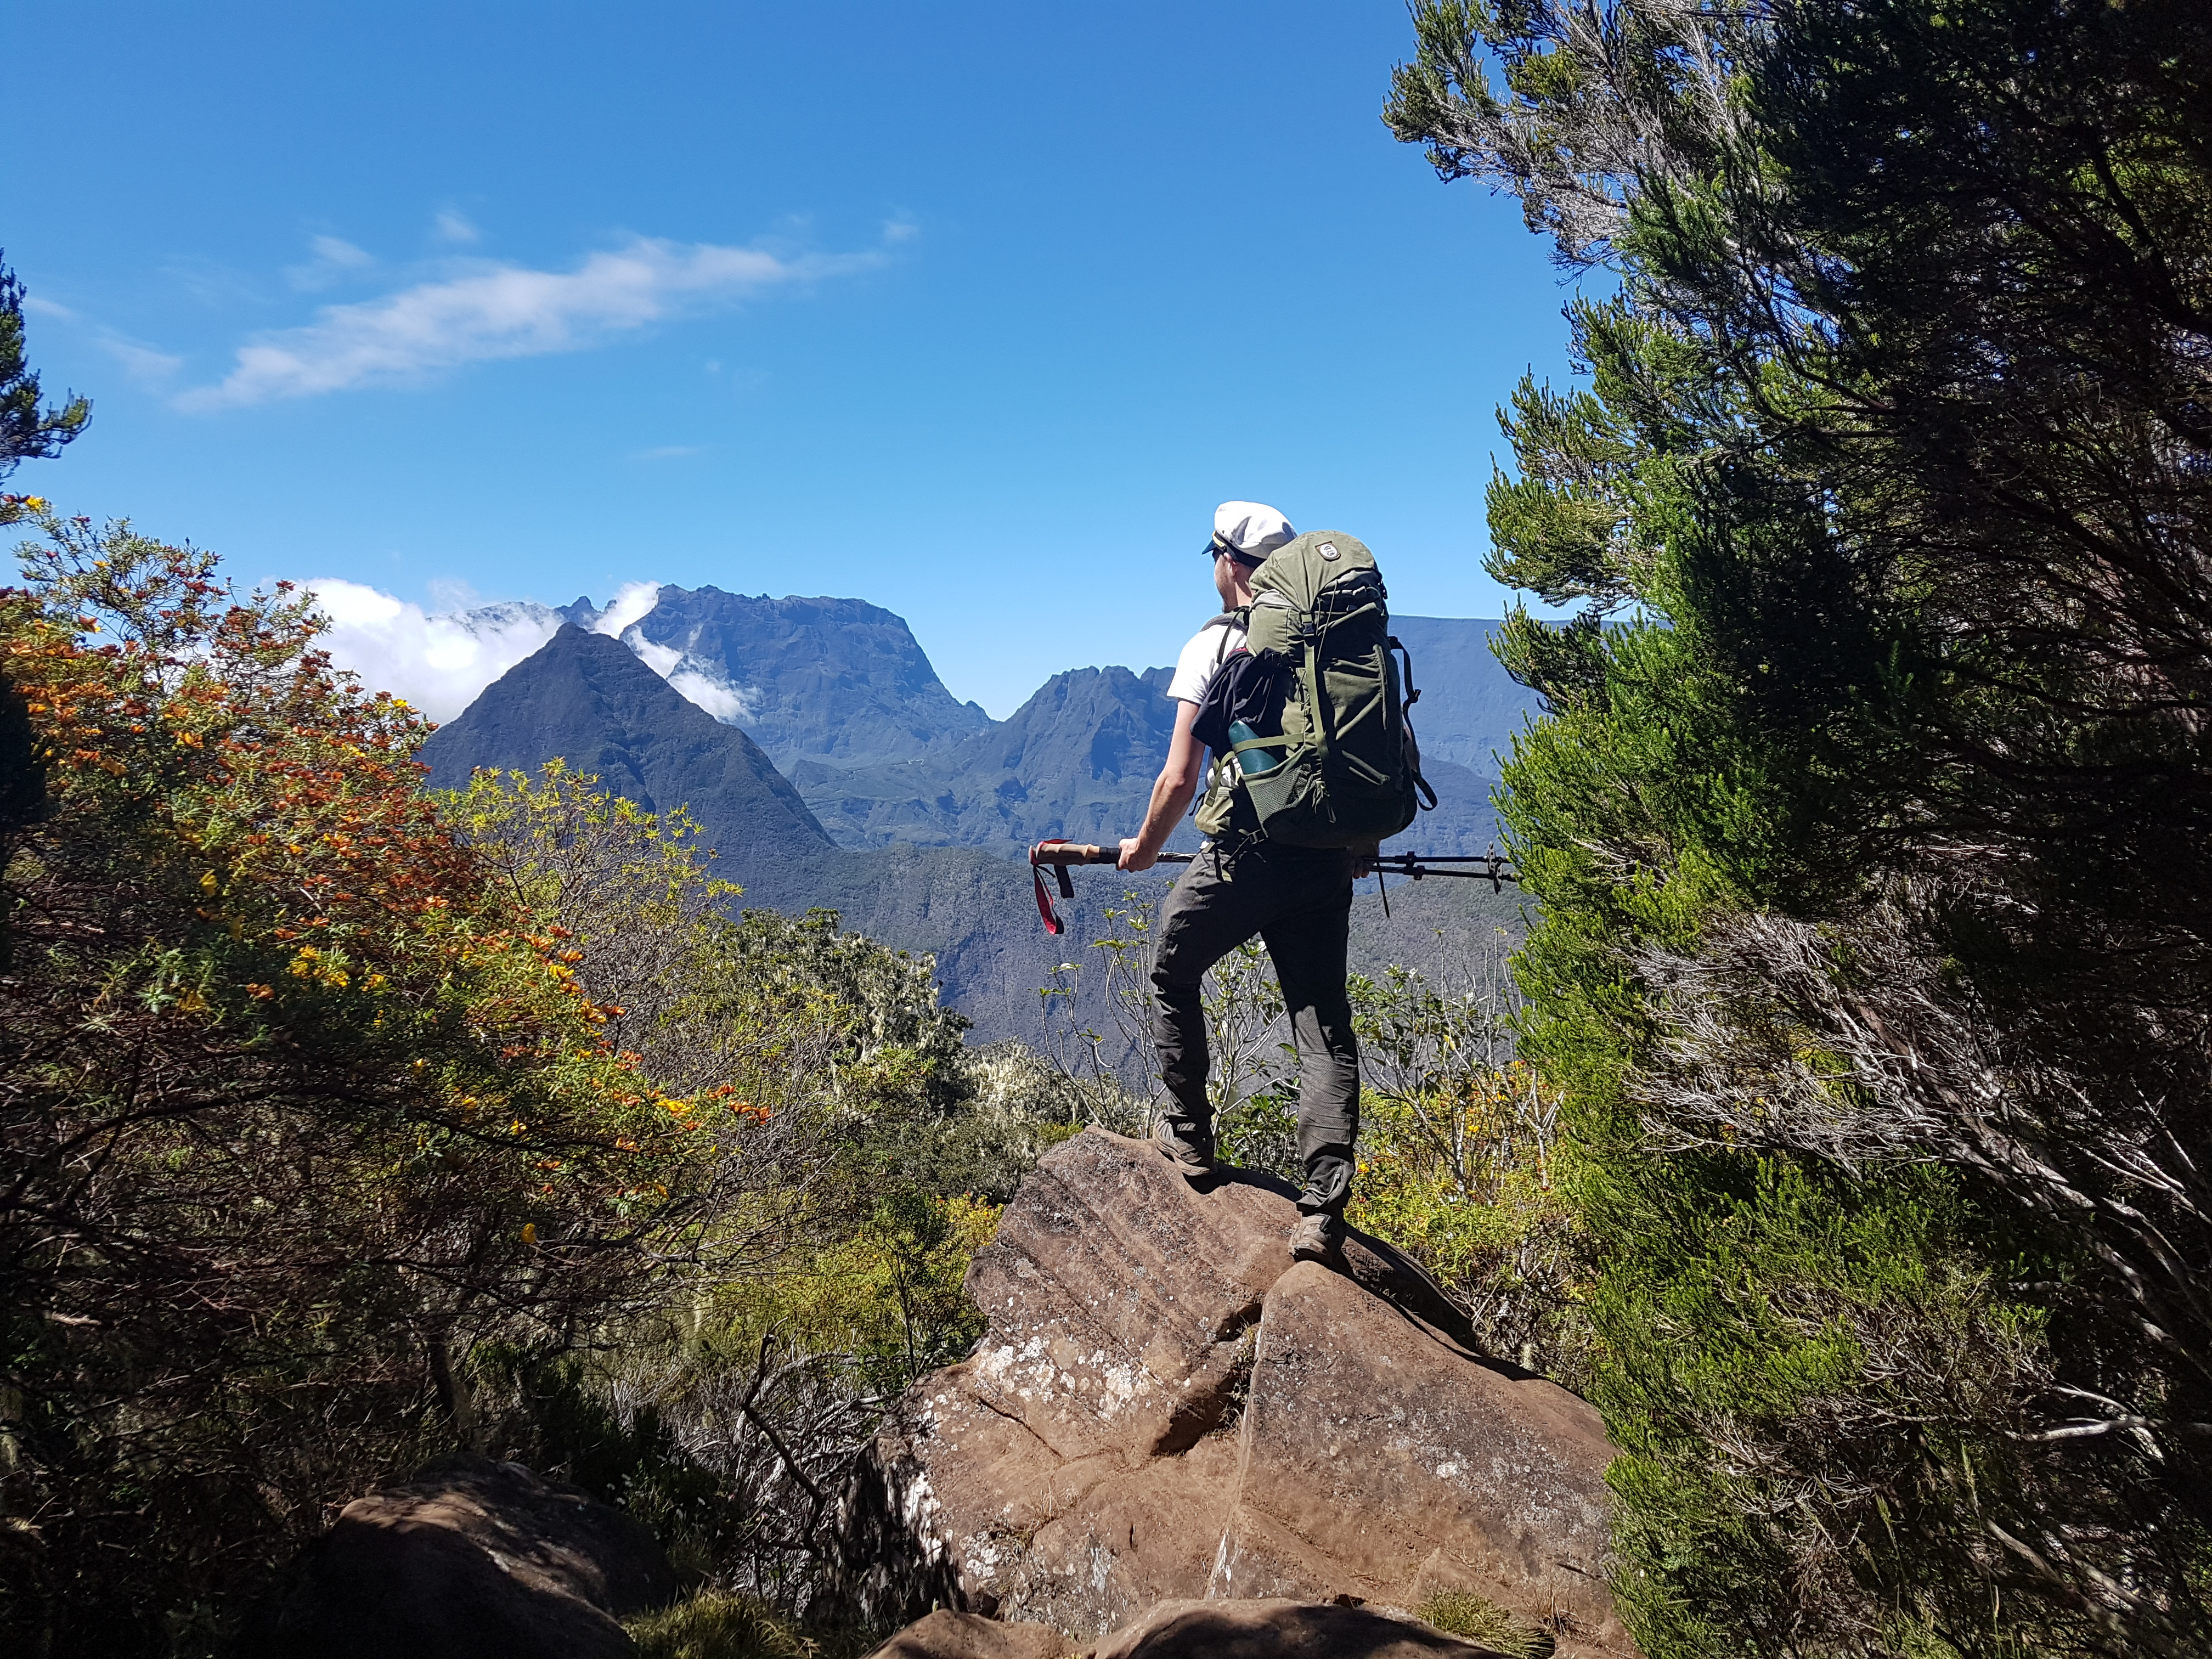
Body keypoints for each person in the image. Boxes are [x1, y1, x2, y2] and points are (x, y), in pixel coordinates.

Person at [1118, 500, 1360, 1263]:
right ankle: (1322, 1210)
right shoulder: (1341, 646)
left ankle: (1188, 1139)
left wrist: (1142, 847)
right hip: (1324, 863)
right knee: (1322, 1023)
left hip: (1243, 859)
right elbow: (1395, 765)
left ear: (1228, 563)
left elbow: (1180, 776)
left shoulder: (1218, 643)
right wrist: (1360, 842)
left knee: (1170, 968)